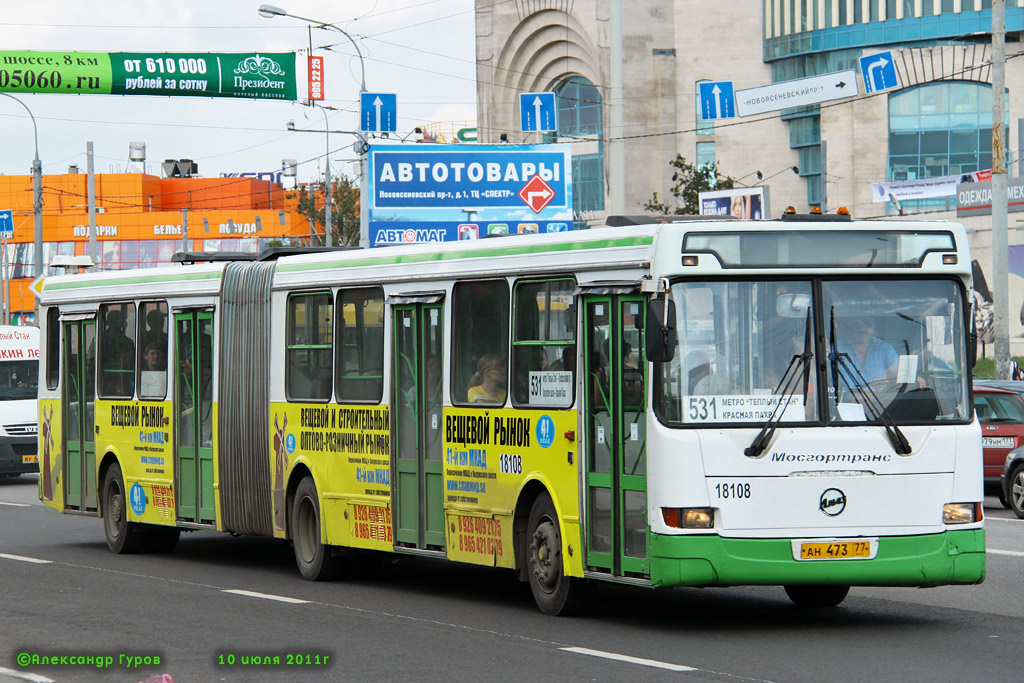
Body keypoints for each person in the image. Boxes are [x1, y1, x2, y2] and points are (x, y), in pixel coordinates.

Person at [835, 316, 898, 385]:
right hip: (843, 395)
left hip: (880, 395)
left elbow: (897, 379)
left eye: (868, 324)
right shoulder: (836, 348)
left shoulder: (885, 349)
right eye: (857, 325)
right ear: (849, 327)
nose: (863, 329)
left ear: (873, 327)